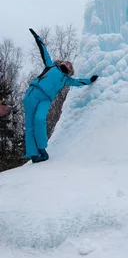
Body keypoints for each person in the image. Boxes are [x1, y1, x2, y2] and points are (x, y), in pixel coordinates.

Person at [23, 28, 98, 163]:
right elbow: (43, 51)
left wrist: (90, 80)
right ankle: (34, 154)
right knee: (30, 125)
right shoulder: (50, 66)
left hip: (45, 99)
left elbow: (78, 82)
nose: (68, 64)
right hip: (32, 94)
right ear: (61, 62)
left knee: (39, 120)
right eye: (66, 62)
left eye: (70, 65)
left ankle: (42, 149)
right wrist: (37, 38)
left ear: (70, 71)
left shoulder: (66, 80)